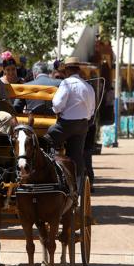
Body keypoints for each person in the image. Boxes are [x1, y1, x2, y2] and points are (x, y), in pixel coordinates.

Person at [43, 57, 96, 191]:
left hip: (65, 125)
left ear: (66, 70)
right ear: (78, 70)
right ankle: (77, 185)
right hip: (83, 125)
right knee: (77, 154)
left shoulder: (66, 83)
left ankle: (50, 170)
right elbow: (91, 111)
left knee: (46, 140)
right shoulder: (88, 86)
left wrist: (56, 111)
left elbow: (57, 104)